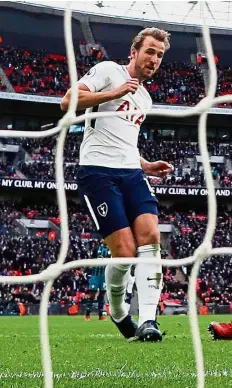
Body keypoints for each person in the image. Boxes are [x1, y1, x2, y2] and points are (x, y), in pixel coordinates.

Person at [60, 28, 174, 342]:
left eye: (159, 55)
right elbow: (68, 101)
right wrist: (113, 93)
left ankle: (149, 320)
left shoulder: (145, 98)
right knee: (124, 251)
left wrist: (147, 166)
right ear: (134, 52)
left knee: (150, 235)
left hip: (131, 172)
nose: (154, 59)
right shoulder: (109, 71)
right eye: (150, 51)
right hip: (97, 172)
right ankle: (118, 310)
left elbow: (126, 142)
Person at [85, 243, 110, 321]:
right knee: (92, 294)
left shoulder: (110, 250)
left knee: (102, 296)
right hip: (95, 275)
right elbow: (91, 259)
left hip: (104, 276)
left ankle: (100, 316)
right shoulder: (97, 248)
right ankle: (87, 315)